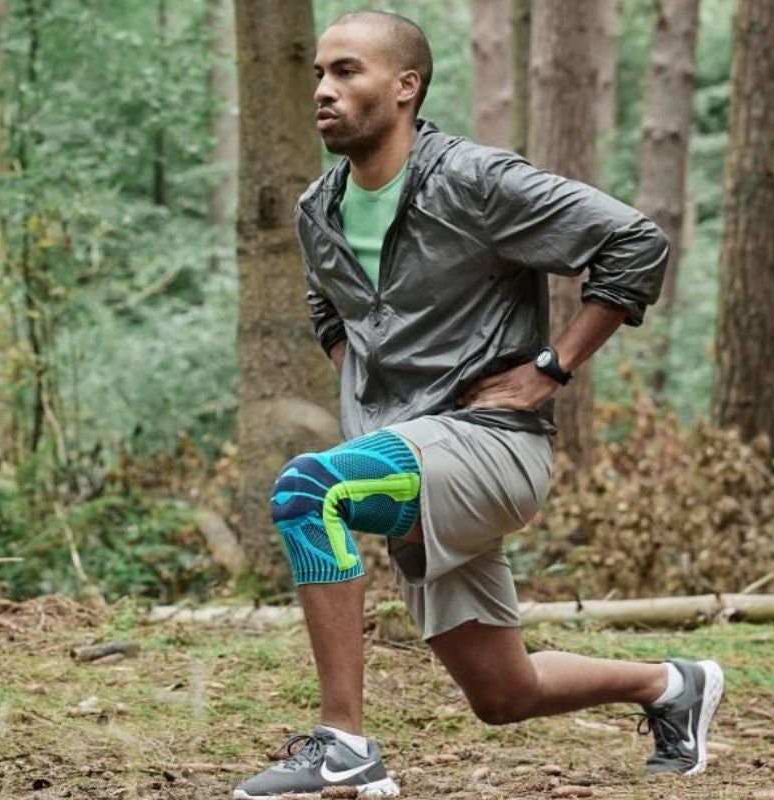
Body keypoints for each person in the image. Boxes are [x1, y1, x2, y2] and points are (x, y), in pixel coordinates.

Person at [233, 10, 722, 799]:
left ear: (405, 86)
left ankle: (345, 746)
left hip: (493, 444)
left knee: (307, 488)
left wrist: (550, 370)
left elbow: (634, 243)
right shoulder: (316, 209)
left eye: (347, 71)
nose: (323, 89)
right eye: (319, 73)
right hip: (408, 460)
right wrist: (370, 406)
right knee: (503, 694)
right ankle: (671, 686)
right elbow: (331, 309)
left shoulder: (475, 180)